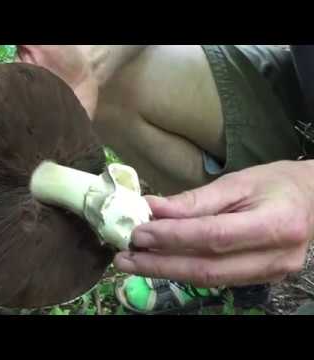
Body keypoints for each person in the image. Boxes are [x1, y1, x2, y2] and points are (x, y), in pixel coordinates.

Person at [16, 45, 314, 313]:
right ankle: (224, 258)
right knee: (109, 80)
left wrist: (308, 188)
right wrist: (92, 60)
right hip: (300, 89)